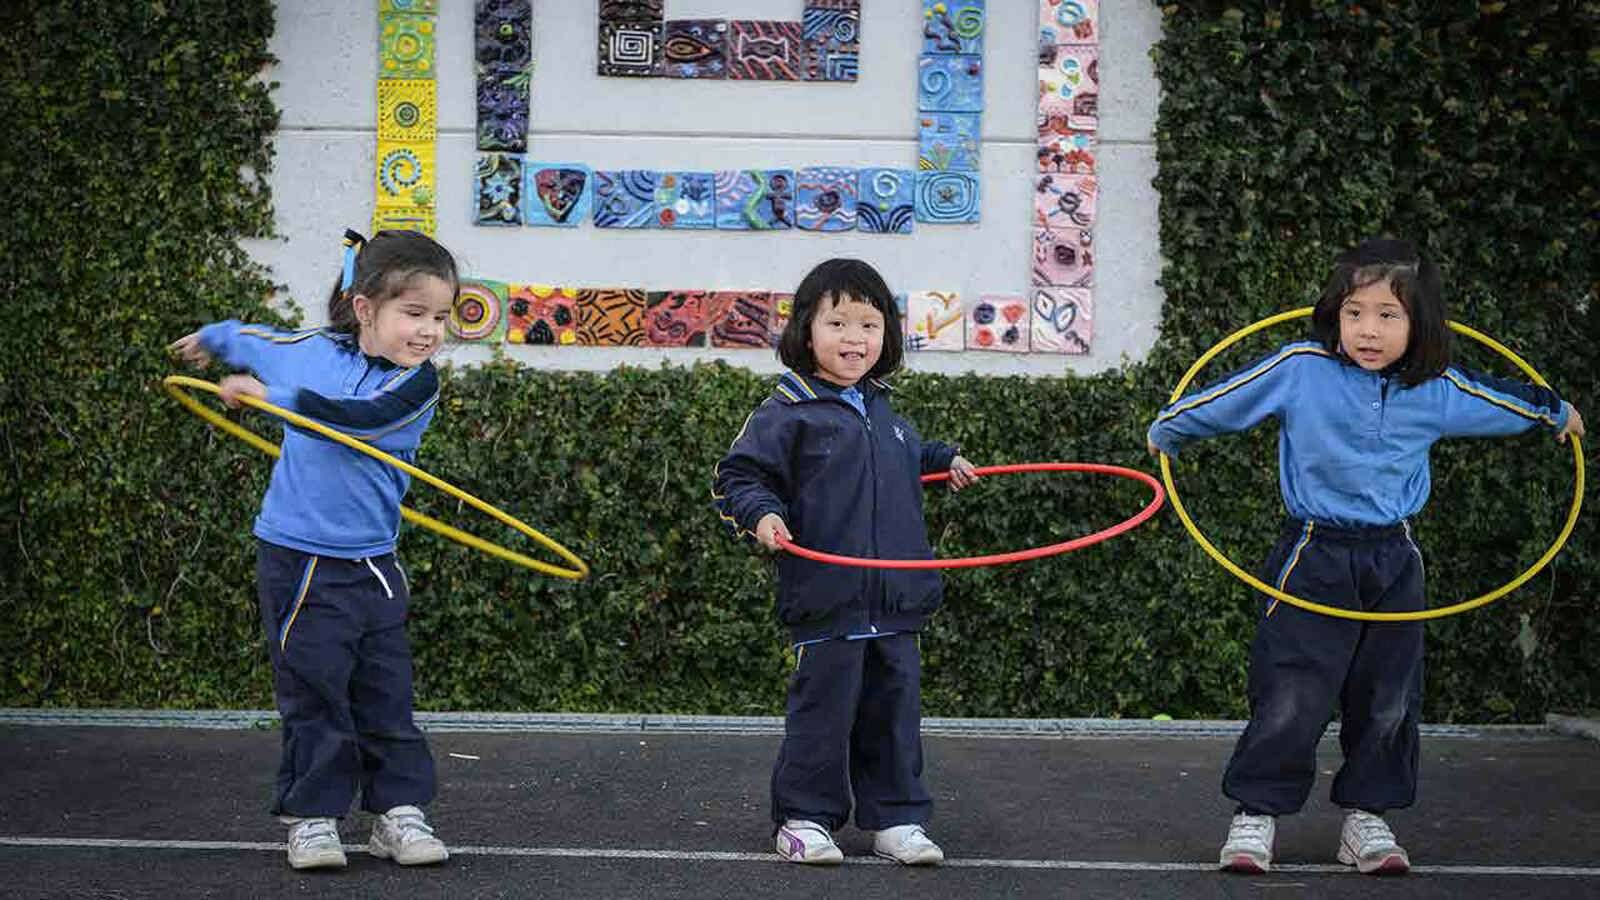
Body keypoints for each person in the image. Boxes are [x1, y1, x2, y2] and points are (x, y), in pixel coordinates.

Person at [1146, 238, 1585, 876]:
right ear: (1335, 314)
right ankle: (1256, 816)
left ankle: (1367, 820)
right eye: (1355, 313)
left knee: (1389, 696)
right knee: (1291, 689)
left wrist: (1552, 413)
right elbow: (1222, 401)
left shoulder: (1436, 389)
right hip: (1314, 550)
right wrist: (1170, 427)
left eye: (1388, 315)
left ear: (1420, 323)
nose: (1368, 330)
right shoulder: (1302, 367)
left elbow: (1502, 402)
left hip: (1393, 558)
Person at [169, 229, 461, 871]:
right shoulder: (310, 352)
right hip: (299, 559)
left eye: (441, 317)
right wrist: (215, 338)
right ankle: (314, 818)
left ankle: (397, 813)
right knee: (315, 690)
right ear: (365, 309)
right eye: (414, 314)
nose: (430, 332)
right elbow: (260, 342)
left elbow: (354, 422)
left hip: (373, 562)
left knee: (387, 693)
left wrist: (271, 399)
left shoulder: (418, 387)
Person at [712, 258, 980, 866]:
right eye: (838, 323)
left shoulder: (884, 411)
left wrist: (946, 462)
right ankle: (805, 818)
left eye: (869, 325)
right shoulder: (788, 411)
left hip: (897, 600)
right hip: (828, 597)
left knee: (895, 717)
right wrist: (762, 516)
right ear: (807, 329)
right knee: (823, 717)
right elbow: (739, 476)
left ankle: (897, 820)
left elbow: (907, 458)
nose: (854, 339)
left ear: (885, 336)